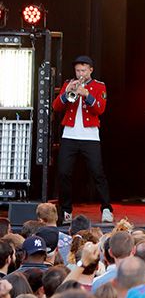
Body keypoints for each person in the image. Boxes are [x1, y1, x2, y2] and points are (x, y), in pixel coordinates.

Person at [53, 55, 113, 224]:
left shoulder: (99, 86)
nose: (80, 73)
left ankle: (106, 208)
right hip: (69, 135)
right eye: (78, 70)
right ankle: (66, 211)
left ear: (90, 70)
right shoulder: (68, 83)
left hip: (90, 136)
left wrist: (86, 94)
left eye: (83, 70)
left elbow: (100, 109)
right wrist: (66, 92)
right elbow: (56, 107)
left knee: (97, 173)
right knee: (64, 173)